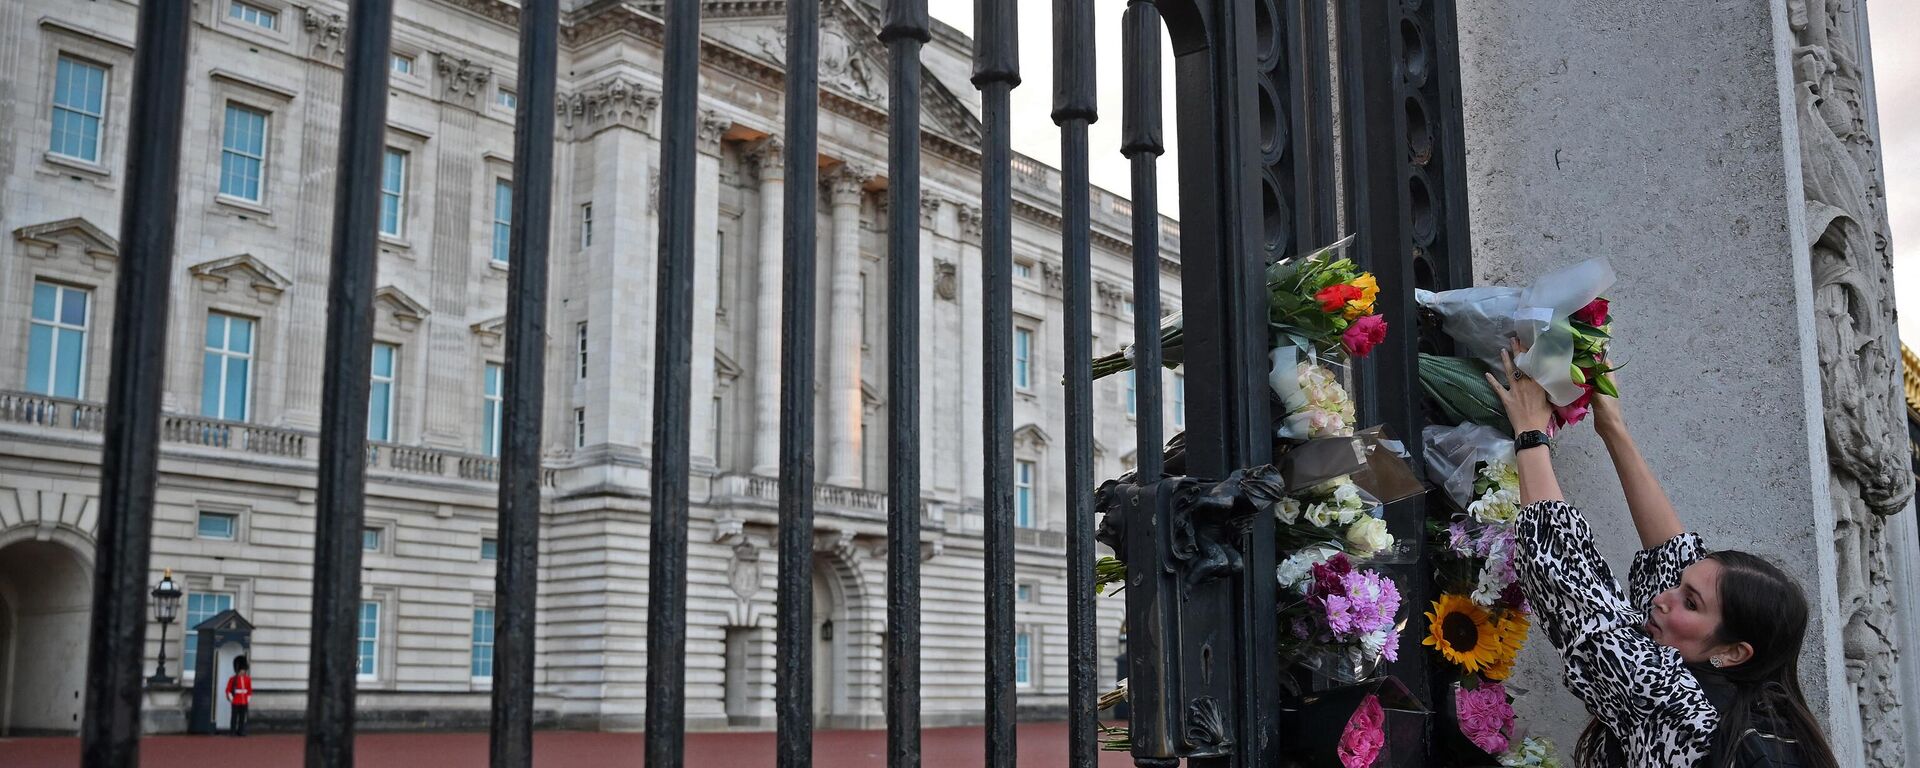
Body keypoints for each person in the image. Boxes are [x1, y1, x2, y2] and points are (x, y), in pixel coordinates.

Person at [1483, 343, 1837, 768]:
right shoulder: (1753, 704)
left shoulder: (1691, 715)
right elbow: (1671, 556)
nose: (1661, 597)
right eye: (1681, 587)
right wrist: (1612, 426)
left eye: (1690, 602)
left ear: (1735, 652)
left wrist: (1530, 434)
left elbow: (1566, 583)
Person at [225, 655, 252, 737]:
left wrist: (248, 699)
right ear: (238, 670)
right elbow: (228, 690)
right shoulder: (232, 679)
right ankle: (232, 731)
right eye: (242, 670)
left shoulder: (248, 679)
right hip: (236, 701)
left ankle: (241, 731)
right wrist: (231, 698)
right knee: (234, 717)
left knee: (242, 718)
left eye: (244, 670)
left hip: (244, 701)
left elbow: (249, 690)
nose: (243, 672)